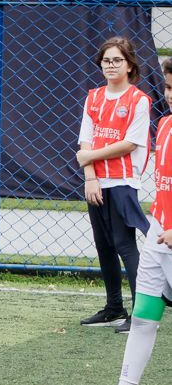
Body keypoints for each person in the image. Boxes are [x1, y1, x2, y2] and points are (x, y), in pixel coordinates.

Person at [83, 56, 172, 385]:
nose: (170, 96)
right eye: (168, 88)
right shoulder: (165, 125)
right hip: (159, 239)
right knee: (144, 317)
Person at [75, 36, 151, 334]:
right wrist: (91, 177)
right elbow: (85, 138)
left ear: (130, 65)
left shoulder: (139, 100)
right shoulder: (93, 97)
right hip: (97, 182)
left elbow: (130, 143)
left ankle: (141, 313)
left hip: (122, 181)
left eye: (117, 60)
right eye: (106, 60)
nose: (110, 65)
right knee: (104, 245)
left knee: (124, 245)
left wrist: (88, 157)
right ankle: (113, 308)